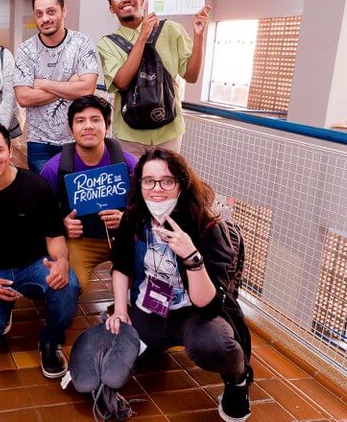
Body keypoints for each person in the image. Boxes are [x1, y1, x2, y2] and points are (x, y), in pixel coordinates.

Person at [106, 148, 253, 422]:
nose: (156, 189)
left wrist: (191, 257)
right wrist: (120, 311)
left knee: (212, 345)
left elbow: (209, 306)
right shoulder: (134, 218)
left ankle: (238, 380)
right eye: (148, 181)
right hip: (149, 308)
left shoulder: (206, 226)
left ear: (181, 184)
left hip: (194, 314)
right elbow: (121, 265)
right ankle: (153, 343)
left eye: (167, 181)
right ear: (139, 185)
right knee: (113, 348)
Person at [0, 121, 80, 379]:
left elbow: (54, 234)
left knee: (68, 285)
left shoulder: (36, 186)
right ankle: (3, 304)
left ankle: (51, 341)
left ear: (10, 151)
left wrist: (61, 260)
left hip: (33, 264)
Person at [97, 0, 211, 157]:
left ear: (143, 2)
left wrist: (199, 36)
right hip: (128, 134)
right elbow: (121, 82)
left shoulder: (170, 29)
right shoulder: (108, 43)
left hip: (169, 131)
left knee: (166, 175)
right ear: (112, 8)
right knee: (132, 176)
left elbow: (191, 76)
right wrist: (143, 36)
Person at [40, 95, 138, 294]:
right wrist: (62, 224)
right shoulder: (55, 168)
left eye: (95, 120)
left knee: (144, 275)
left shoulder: (129, 164)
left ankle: (127, 304)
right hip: (82, 241)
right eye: (80, 121)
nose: (88, 126)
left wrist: (127, 219)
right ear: (71, 129)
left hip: (124, 237)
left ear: (107, 126)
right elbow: (40, 215)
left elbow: (149, 208)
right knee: (69, 287)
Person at [13, 0, 100, 174]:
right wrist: (71, 85)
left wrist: (42, 84)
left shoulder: (82, 43)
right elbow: (24, 98)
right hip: (39, 143)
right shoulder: (25, 50)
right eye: (39, 14)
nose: (45, 18)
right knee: (45, 192)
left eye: (51, 11)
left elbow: (87, 89)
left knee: (77, 192)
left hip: (78, 139)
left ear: (64, 11)